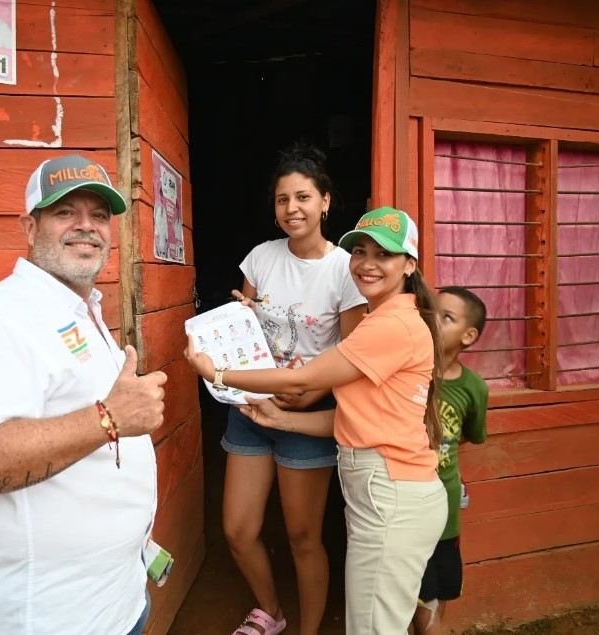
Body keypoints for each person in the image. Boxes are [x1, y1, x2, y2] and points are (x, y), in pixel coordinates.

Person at [0, 153, 167, 635]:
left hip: (115, 601)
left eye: (99, 215)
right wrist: (110, 418)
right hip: (42, 617)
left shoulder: (81, 307)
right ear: (29, 228)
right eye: (64, 212)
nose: (86, 226)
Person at [188, 206, 447, 634]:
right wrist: (279, 420)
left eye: (384, 255)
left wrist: (216, 371)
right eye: (360, 251)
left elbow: (306, 377)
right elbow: (353, 421)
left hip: (391, 493)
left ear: (409, 265)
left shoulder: (392, 325)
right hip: (387, 490)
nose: (367, 263)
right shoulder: (382, 318)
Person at [213, 142, 368, 635]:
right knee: (238, 530)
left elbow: (351, 353)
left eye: (303, 197)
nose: (291, 209)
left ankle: (309, 629)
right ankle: (272, 614)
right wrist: (239, 318)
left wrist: (310, 395)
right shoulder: (260, 257)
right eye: (282, 200)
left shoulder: (346, 269)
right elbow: (243, 333)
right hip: (252, 408)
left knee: (303, 536)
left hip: (306, 415)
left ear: (325, 201)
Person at [411, 287, 489, 635]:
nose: (434, 320)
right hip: (404, 507)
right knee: (416, 609)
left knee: (433, 604)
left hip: (444, 516)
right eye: (432, 311)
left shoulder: (474, 388)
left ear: (468, 336)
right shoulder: (408, 373)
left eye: (447, 317)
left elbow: (469, 436)